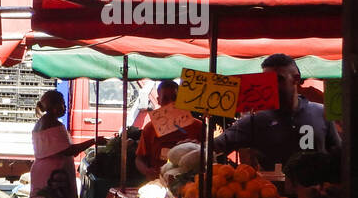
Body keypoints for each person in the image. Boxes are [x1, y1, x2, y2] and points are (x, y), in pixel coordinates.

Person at [212, 53, 340, 168]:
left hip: (317, 191)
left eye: (279, 79)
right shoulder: (256, 120)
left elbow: (339, 154)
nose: (272, 84)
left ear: (296, 78)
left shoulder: (321, 113)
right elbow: (215, 147)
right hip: (271, 192)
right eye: (267, 79)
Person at [134, 80, 205, 180]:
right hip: (159, 183)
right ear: (159, 101)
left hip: (191, 183)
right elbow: (140, 159)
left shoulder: (197, 126)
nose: (171, 103)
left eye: (174, 98)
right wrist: (146, 171)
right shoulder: (150, 129)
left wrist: (199, 148)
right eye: (165, 99)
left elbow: (209, 155)